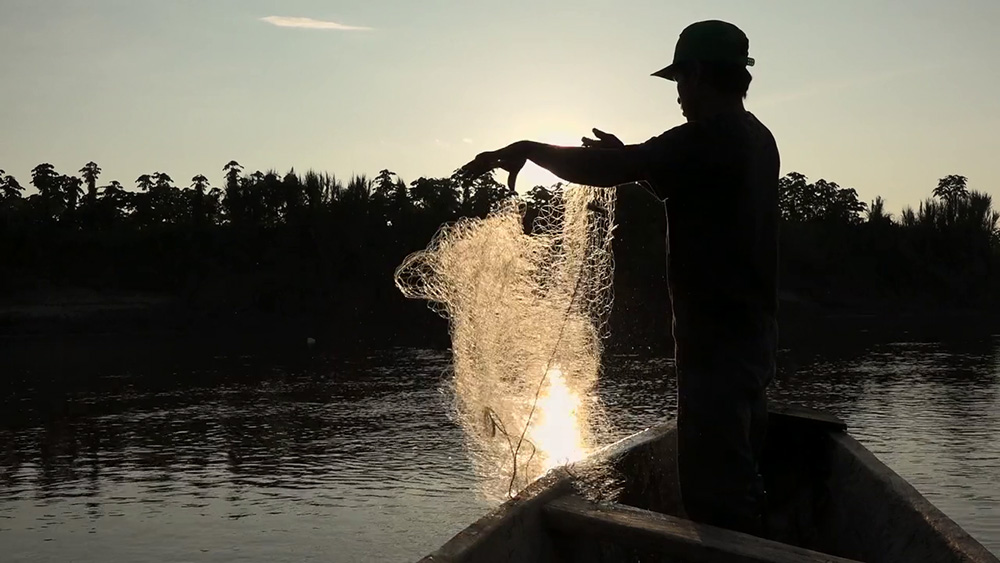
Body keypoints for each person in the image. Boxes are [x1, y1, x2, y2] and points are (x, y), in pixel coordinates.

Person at [459, 19, 779, 536]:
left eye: (679, 79)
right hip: (753, 333)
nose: (678, 93)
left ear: (697, 74)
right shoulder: (755, 137)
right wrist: (629, 157)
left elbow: (617, 170)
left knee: (714, 486)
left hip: (716, 339)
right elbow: (678, 180)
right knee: (738, 458)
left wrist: (527, 148)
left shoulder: (711, 136)